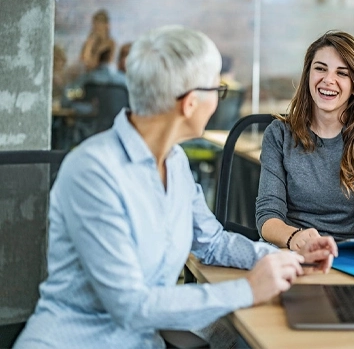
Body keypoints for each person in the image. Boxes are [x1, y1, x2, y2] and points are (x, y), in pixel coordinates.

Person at [14, 25, 337, 349]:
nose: (218, 100)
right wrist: (248, 289)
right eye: (216, 89)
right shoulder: (93, 173)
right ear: (190, 103)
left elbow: (212, 243)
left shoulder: (175, 162)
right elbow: (131, 306)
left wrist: (289, 258)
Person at [255, 30, 354, 253]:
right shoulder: (279, 134)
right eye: (320, 68)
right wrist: (295, 238)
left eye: (342, 73)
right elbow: (267, 215)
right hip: (290, 252)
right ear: (308, 74)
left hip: (351, 257)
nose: (328, 80)